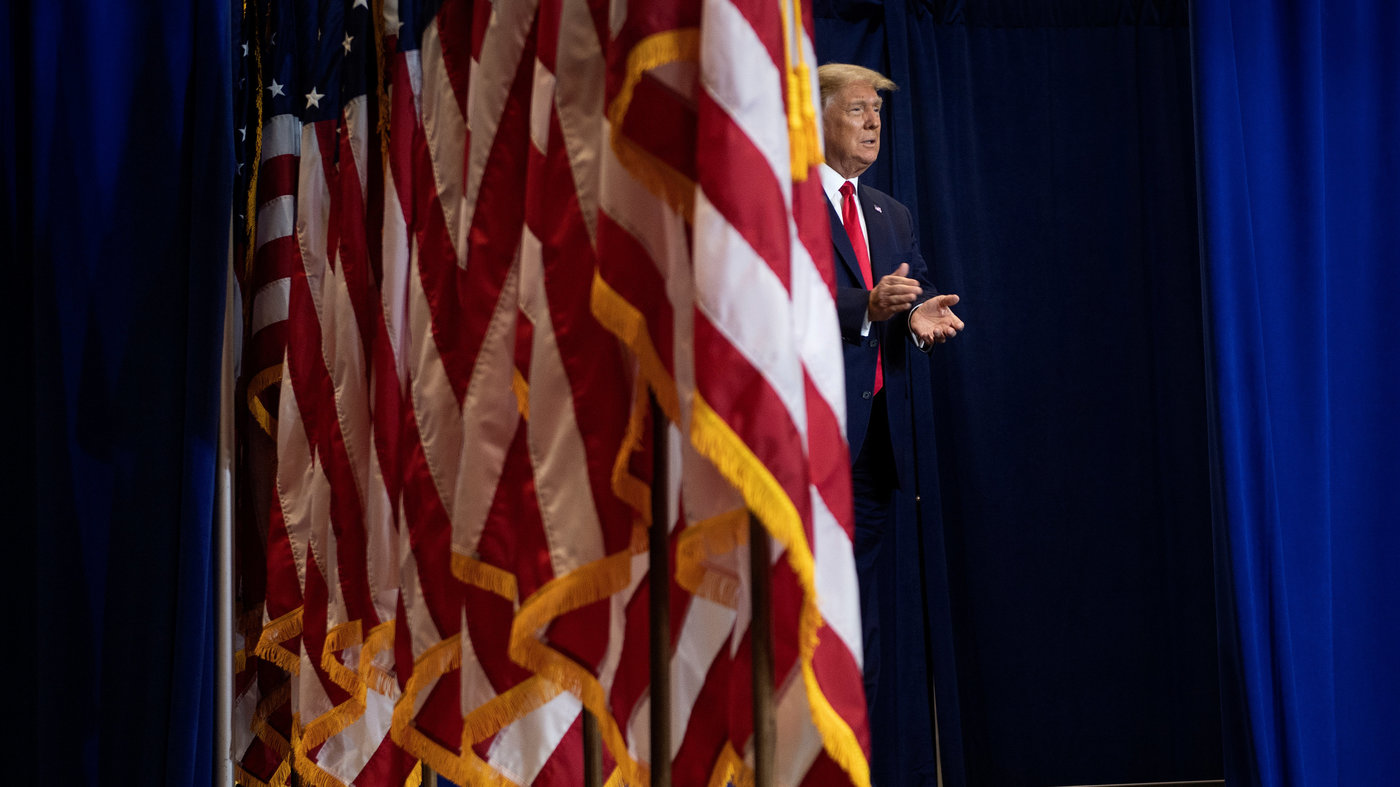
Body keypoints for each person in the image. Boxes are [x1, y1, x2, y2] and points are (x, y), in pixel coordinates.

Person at [818, 62, 964, 784]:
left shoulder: (890, 213)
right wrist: (864, 308)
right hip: (808, 452)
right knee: (809, 625)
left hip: (875, 455)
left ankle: (852, 768)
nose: (873, 122)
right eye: (856, 109)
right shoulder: (782, 203)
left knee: (861, 632)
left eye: (877, 111)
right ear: (816, 118)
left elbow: (913, 290)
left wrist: (917, 314)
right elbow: (775, 300)